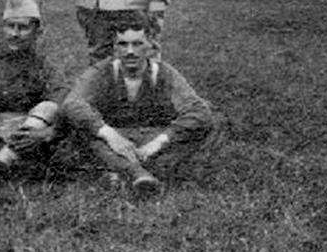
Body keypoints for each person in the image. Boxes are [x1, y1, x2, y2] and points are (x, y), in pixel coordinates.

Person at [62, 13, 219, 196]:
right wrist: (108, 133)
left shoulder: (164, 73)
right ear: (113, 47)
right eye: (123, 44)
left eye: (137, 44)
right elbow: (72, 103)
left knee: (212, 120)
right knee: (79, 127)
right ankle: (141, 174)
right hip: (114, 141)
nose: (130, 51)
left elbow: (198, 111)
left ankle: (120, 173)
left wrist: (159, 142)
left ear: (150, 45)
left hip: (152, 139)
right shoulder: (102, 71)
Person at [0, 0, 70, 185]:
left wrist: (39, 134)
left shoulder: (45, 66)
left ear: (37, 31)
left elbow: (60, 101)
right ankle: (15, 166)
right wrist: (3, 131)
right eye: (10, 26)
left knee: (48, 107)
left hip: (34, 135)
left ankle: (1, 165)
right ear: (2, 28)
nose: (15, 34)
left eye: (23, 28)